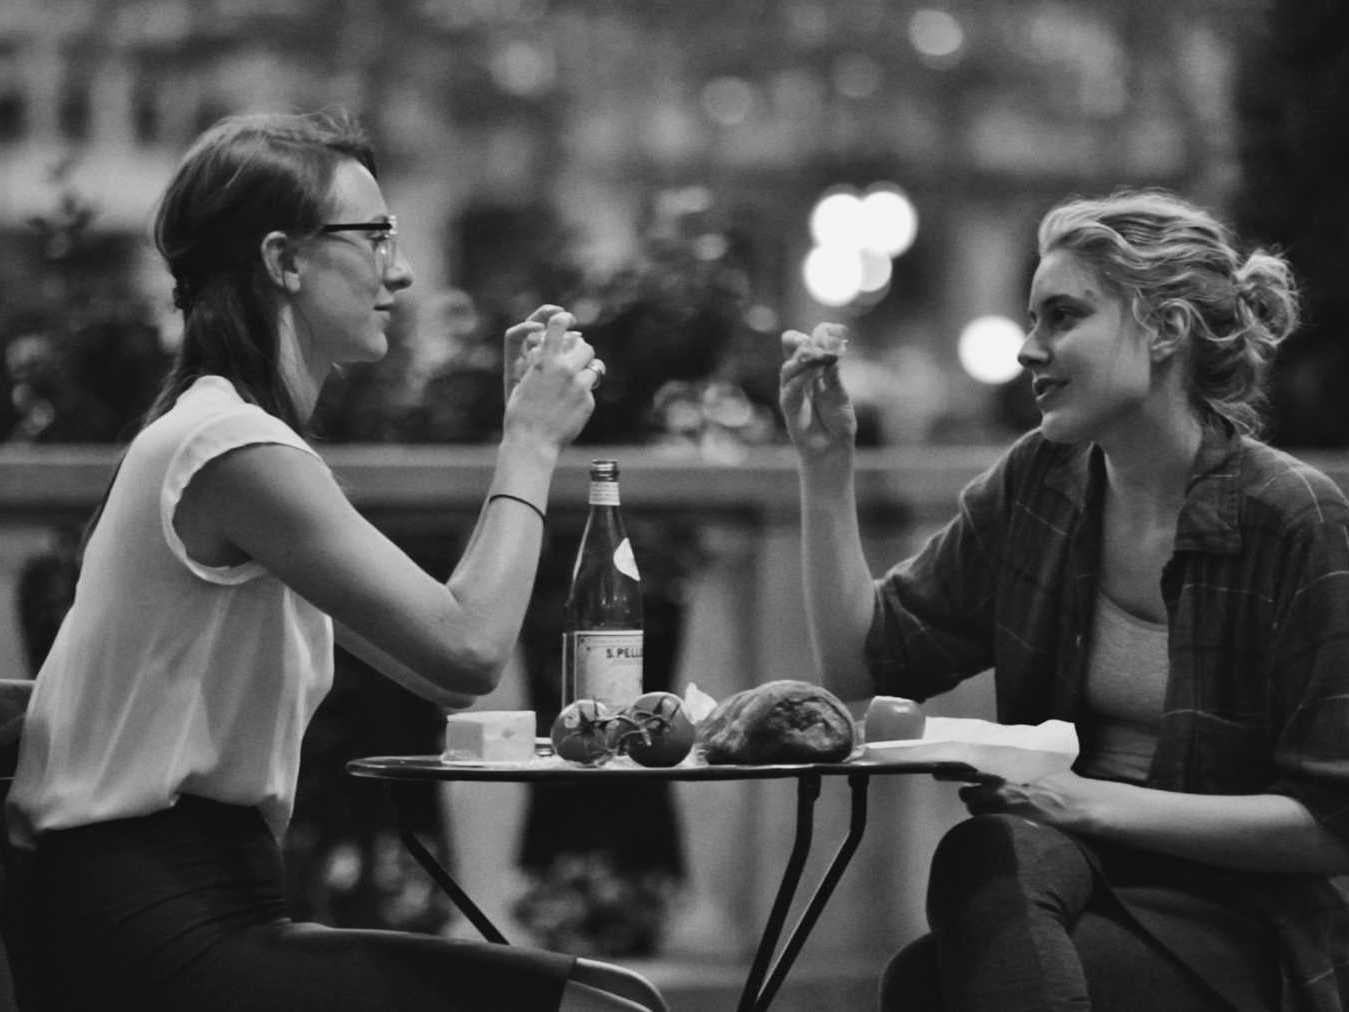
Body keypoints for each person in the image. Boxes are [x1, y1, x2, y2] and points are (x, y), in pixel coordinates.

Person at [4, 110, 664, 1012]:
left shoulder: (223, 433)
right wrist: (530, 443)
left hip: (181, 906)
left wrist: (522, 437)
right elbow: (468, 648)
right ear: (284, 261)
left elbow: (449, 679)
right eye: (374, 235)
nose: (400, 267)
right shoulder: (228, 445)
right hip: (156, 927)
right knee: (604, 1009)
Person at [779, 188, 1349, 1011]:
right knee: (984, 864)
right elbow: (864, 661)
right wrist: (824, 468)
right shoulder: (1039, 486)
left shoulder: (1292, 518)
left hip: (1245, 920)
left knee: (927, 981)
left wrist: (1087, 803)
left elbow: (1332, 824)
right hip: (1072, 879)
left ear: (1164, 330)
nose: (1026, 349)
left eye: (1060, 317)